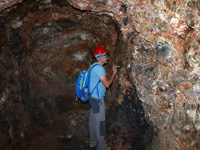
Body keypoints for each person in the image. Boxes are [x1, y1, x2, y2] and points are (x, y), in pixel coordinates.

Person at [89, 45, 117, 150]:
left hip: (92, 98)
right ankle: (102, 147)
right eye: (106, 55)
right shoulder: (99, 68)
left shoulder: (93, 66)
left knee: (93, 120)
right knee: (100, 123)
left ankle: (92, 141)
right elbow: (107, 84)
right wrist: (114, 73)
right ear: (100, 57)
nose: (108, 58)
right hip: (98, 100)